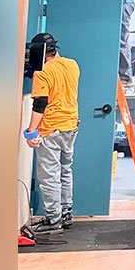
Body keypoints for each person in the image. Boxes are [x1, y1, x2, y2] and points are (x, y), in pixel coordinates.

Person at [25, 32, 80, 232]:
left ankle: (53, 219)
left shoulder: (43, 72)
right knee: (65, 170)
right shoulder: (72, 65)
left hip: (51, 128)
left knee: (49, 176)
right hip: (71, 125)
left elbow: (40, 103)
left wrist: (31, 131)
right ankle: (66, 213)